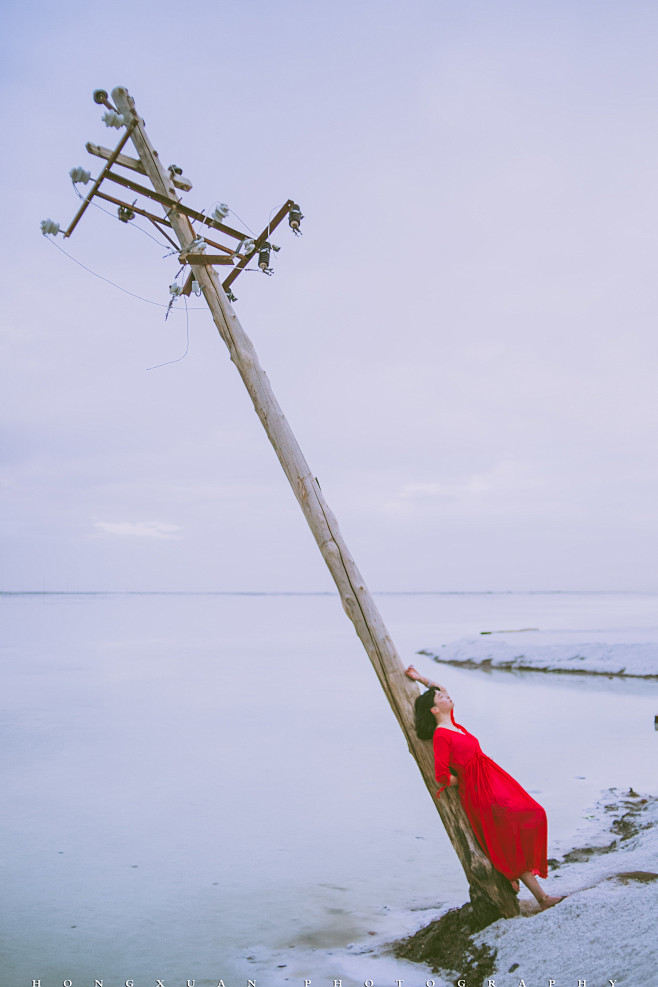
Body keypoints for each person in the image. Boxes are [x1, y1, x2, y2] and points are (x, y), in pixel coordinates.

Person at [405, 664, 565, 910]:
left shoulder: (453, 724)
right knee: (508, 835)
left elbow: (440, 687)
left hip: (494, 780)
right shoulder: (441, 735)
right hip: (480, 791)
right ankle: (541, 897)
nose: (446, 694)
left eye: (444, 694)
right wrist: (468, 778)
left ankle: (514, 877)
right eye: (440, 697)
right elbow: (442, 776)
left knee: (533, 812)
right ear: (435, 709)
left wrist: (420, 678)